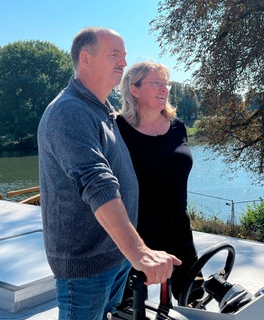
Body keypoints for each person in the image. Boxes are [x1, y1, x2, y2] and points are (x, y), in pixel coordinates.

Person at [37, 28, 181, 320]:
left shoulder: (102, 110)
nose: (123, 63)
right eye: (114, 55)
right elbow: (97, 183)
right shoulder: (69, 111)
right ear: (86, 58)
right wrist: (139, 252)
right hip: (86, 265)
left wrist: (131, 253)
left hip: (113, 258)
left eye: (124, 56)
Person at [116, 61, 202, 303]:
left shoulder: (178, 127)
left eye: (166, 84)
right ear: (134, 89)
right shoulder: (117, 130)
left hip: (180, 232)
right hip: (135, 237)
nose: (165, 89)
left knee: (194, 302)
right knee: (127, 308)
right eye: (156, 83)